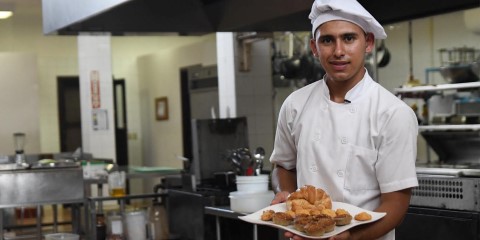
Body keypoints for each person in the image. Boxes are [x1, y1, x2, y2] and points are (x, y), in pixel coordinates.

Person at [269, 0, 419, 239]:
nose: (338, 51)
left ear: (368, 43)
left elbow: (396, 206)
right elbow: (283, 166)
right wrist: (285, 192)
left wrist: (350, 237)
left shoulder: (393, 113)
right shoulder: (294, 105)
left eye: (349, 38)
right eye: (327, 40)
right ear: (314, 48)